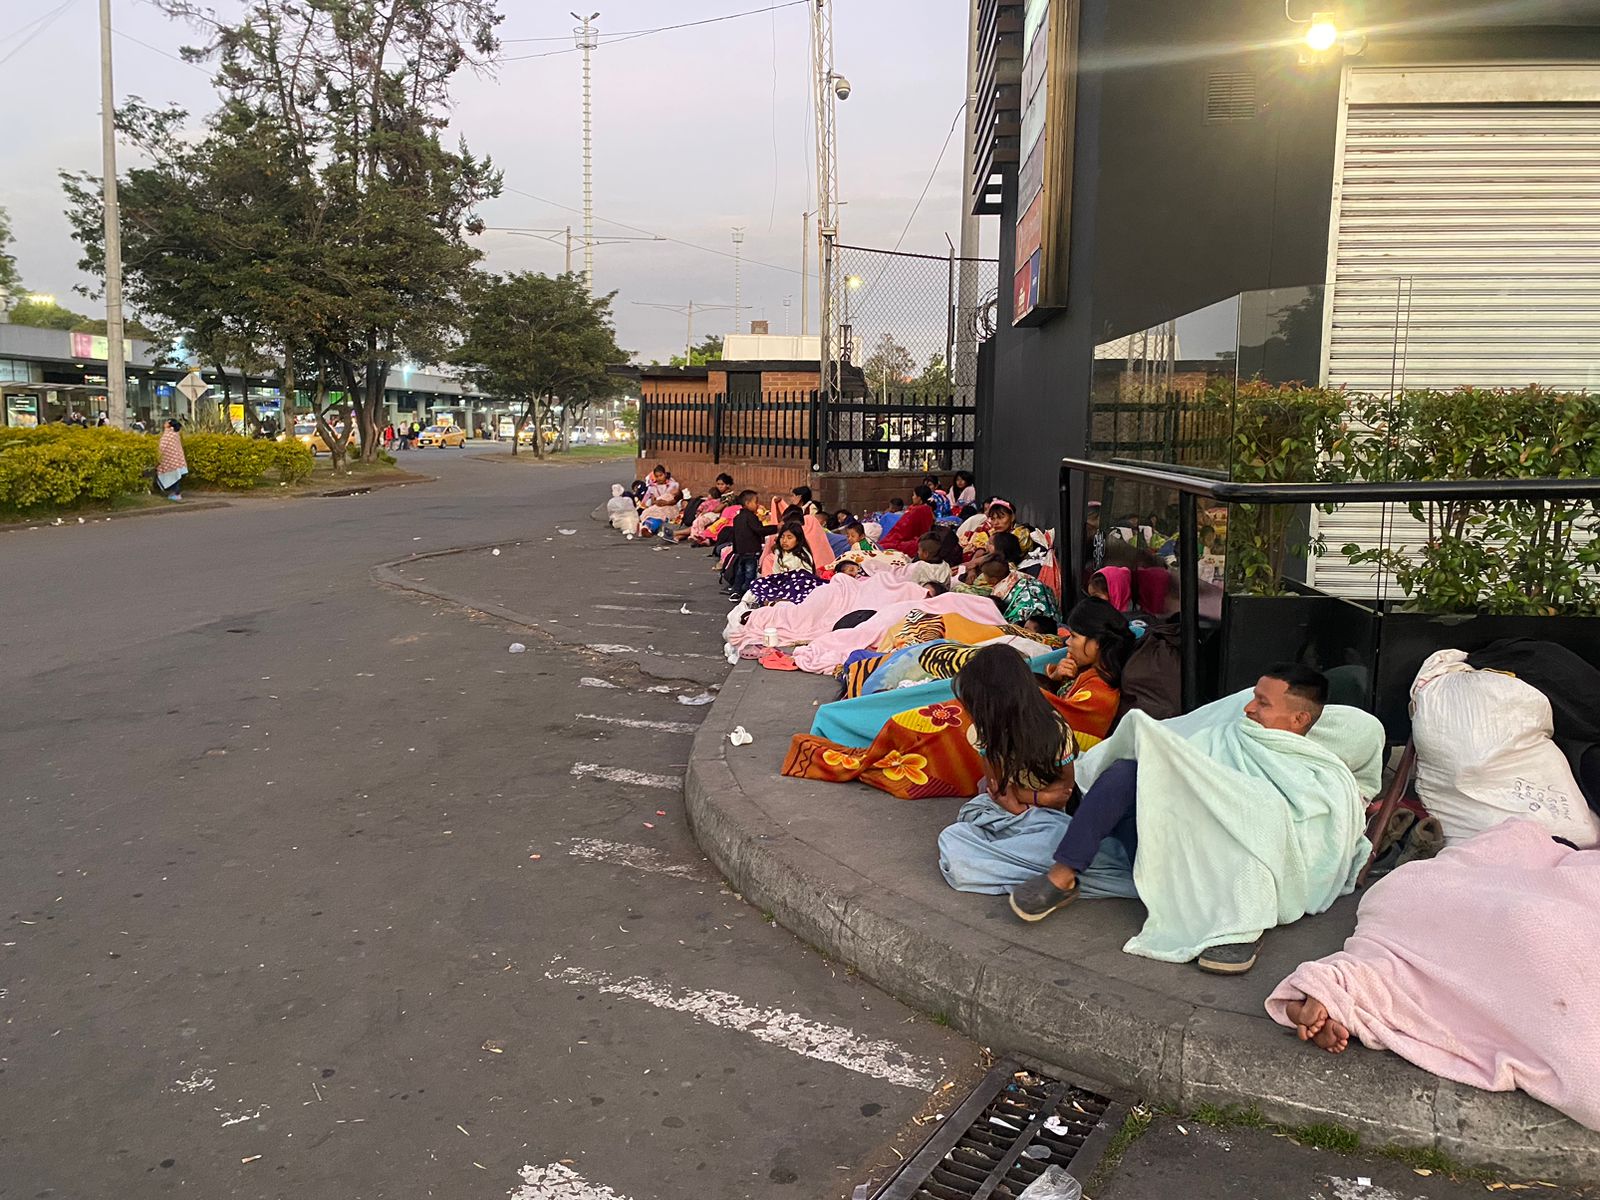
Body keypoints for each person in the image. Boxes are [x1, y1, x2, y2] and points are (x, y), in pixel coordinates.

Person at [1008, 664, 1343, 974]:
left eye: (1262, 703)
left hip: (1227, 872)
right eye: (1253, 697)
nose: (1248, 708)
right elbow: (1179, 762)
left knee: (1258, 817)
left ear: (1298, 719)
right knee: (1126, 773)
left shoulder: (1314, 770)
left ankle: (1240, 924)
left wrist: (1239, 804)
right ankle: (1062, 877)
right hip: (1171, 849)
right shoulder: (1227, 734)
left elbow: (1310, 838)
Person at [727, 490, 777, 598]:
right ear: (747, 503)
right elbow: (759, 530)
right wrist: (776, 528)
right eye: (756, 502)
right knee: (750, 572)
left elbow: (734, 534)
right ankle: (748, 591)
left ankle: (736, 590)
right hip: (751, 550)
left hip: (740, 550)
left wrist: (735, 549)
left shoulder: (737, 518)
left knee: (740, 571)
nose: (757, 505)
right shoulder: (751, 517)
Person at [879, 484, 937, 555]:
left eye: (914, 495)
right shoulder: (928, 509)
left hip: (914, 542)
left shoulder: (916, 510)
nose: (912, 497)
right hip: (924, 540)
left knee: (885, 545)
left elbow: (903, 530)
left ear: (919, 498)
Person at [156, 419, 188, 501]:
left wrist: (158, 455)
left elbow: (163, 446)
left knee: (173, 475)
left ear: (170, 425)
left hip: (169, 459)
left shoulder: (169, 434)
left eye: (167, 422)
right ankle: (175, 493)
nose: (165, 423)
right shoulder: (175, 434)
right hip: (176, 459)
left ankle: (176, 493)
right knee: (175, 476)